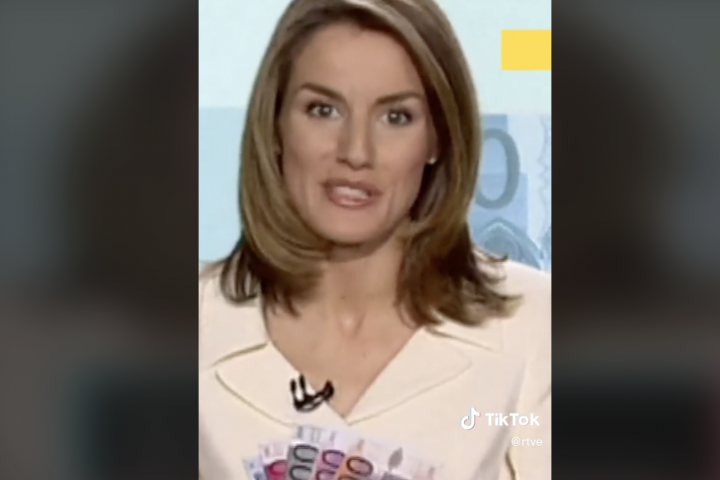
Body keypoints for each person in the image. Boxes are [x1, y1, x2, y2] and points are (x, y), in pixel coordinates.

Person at [199, 0, 550, 479]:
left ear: (438, 139)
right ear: (276, 124)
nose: (356, 152)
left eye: (396, 117)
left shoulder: (534, 327)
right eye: (323, 110)